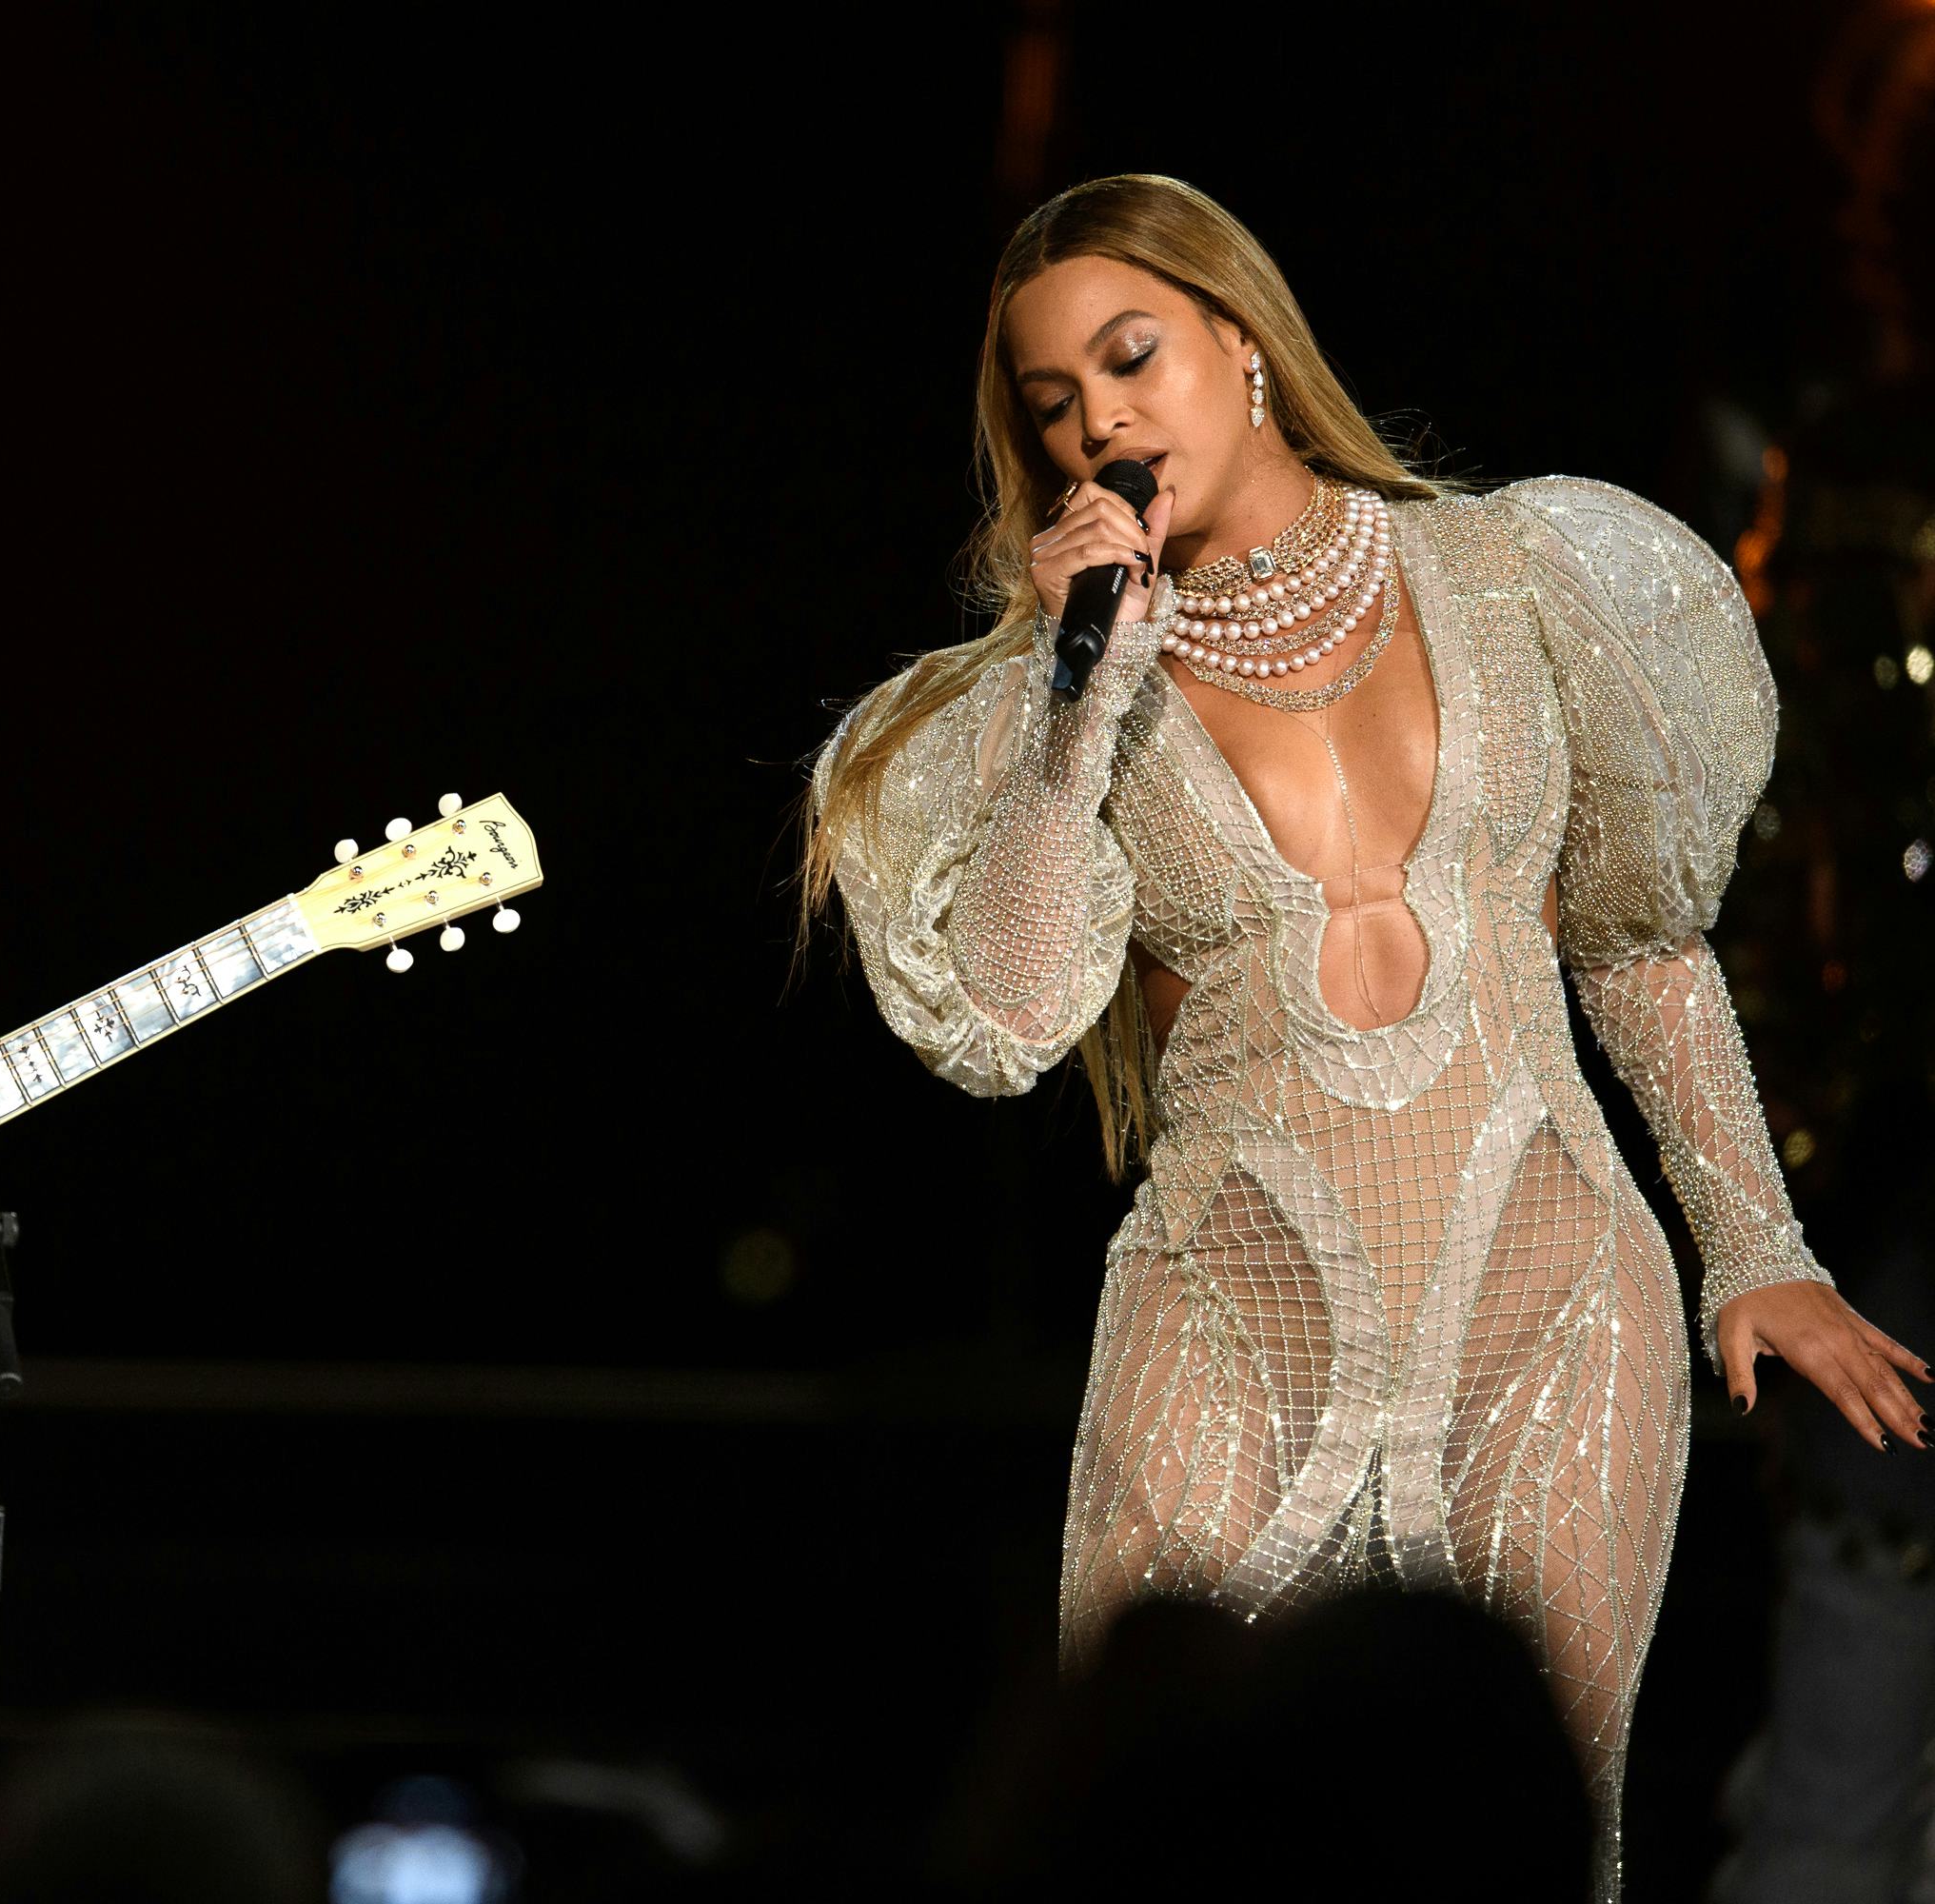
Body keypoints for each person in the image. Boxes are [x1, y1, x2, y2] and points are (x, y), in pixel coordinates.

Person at [801, 174, 1931, 1899]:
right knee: (1157, 1836)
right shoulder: (1048, 697)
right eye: (1054, 405)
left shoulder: (1509, 575)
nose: (1100, 416)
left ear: (1243, 344)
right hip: (1230, 1316)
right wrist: (1076, 711)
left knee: (1515, 1851)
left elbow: (1634, 939)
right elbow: (1018, 1017)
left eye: (1132, 358)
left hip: (1550, 1306)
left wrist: (1751, 1245)